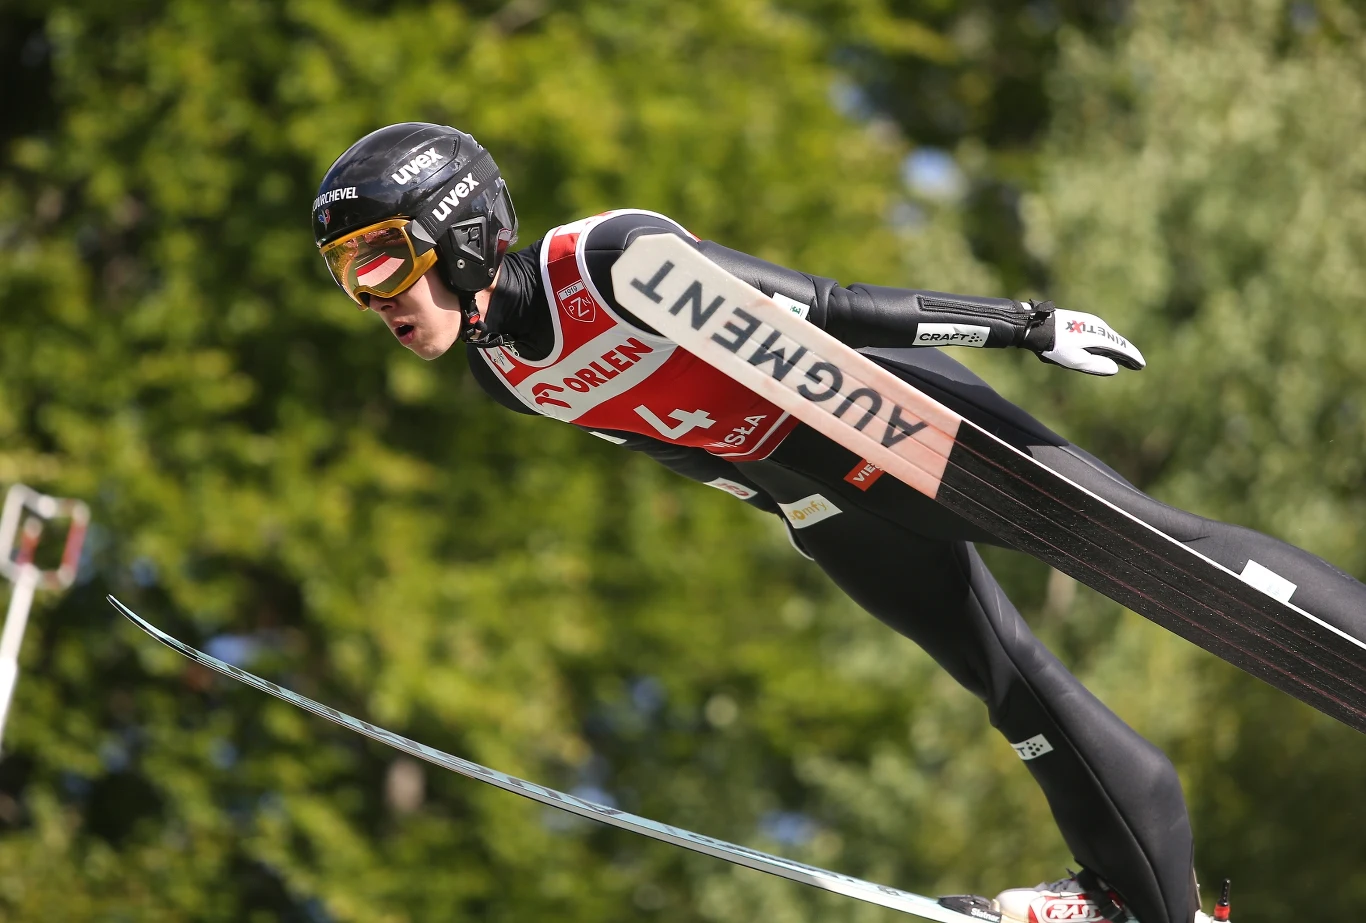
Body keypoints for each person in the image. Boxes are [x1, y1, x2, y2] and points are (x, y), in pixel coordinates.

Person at [313, 122, 1362, 923]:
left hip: (890, 418)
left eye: (377, 261)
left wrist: (1024, 324)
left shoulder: (606, 263)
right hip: (813, 495)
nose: (372, 299)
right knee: (1010, 685)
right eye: (347, 277)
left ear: (455, 232)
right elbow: (677, 445)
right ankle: (1140, 898)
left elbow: (820, 303)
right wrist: (792, 510)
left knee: (1143, 544)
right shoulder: (504, 376)